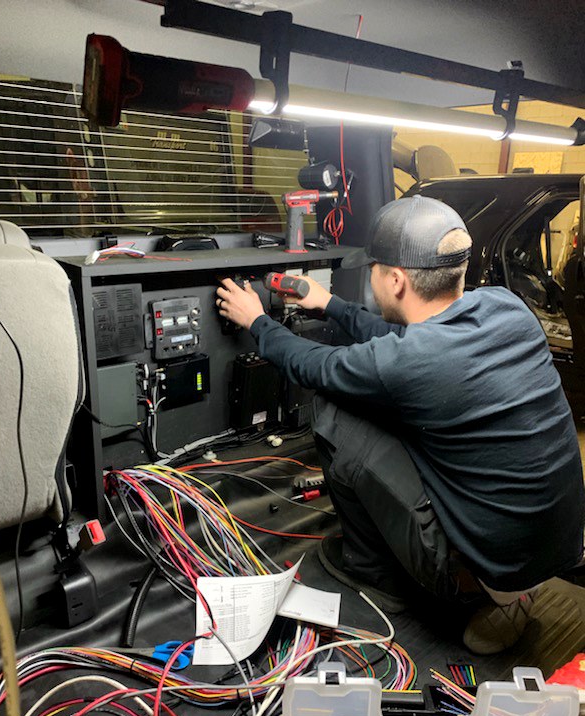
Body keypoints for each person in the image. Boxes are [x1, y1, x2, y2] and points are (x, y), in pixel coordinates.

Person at [216, 196, 585, 654]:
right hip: (552, 547)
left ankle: (380, 573)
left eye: (374, 268)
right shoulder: (506, 307)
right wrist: (331, 305)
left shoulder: (410, 362)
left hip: (479, 567)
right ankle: (508, 590)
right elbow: (407, 339)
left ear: (395, 279)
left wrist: (257, 322)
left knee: (335, 409)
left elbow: (312, 366)